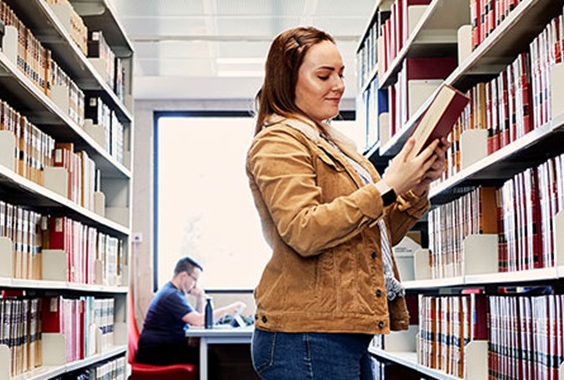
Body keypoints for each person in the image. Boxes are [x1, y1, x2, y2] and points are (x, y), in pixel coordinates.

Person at [246, 26, 449, 379]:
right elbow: (304, 231)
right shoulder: (278, 142)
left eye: (340, 74)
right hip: (304, 336)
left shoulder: (339, 146)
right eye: (324, 75)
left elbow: (374, 237)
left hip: (341, 333)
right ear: (287, 80)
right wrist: (388, 186)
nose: (338, 85)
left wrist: (417, 185)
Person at [136, 256, 246, 366]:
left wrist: (200, 297)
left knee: (208, 356)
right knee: (210, 358)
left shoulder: (172, 292)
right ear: (184, 276)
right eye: (195, 280)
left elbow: (199, 321)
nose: (195, 285)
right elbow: (199, 321)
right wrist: (228, 310)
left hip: (161, 348)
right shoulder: (172, 295)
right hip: (156, 352)